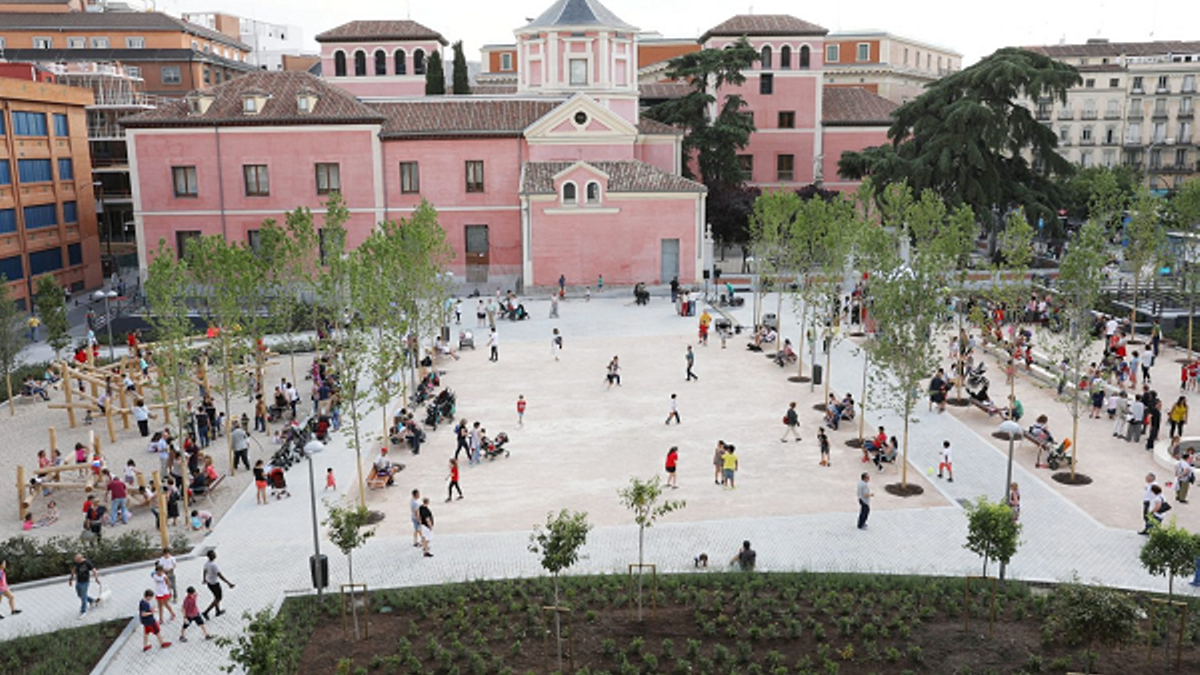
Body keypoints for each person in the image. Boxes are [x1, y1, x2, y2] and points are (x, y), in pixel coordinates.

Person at [201, 550, 234, 619]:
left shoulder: (207, 563)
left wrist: (204, 579)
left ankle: (218, 611)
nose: (215, 554)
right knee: (219, 598)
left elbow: (204, 571)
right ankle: (206, 612)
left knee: (216, 597)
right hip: (214, 583)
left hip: (209, 583)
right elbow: (220, 575)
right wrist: (228, 583)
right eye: (214, 554)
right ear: (212, 556)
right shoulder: (214, 565)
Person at [68, 553, 100, 617]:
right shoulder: (76, 563)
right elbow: (73, 571)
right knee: (80, 595)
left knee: (83, 596)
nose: (76, 561)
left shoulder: (87, 563)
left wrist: (96, 579)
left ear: (80, 559)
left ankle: (83, 611)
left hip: (85, 582)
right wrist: (70, 579)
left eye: (77, 560)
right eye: (75, 560)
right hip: (78, 581)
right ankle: (92, 600)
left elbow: (94, 570)